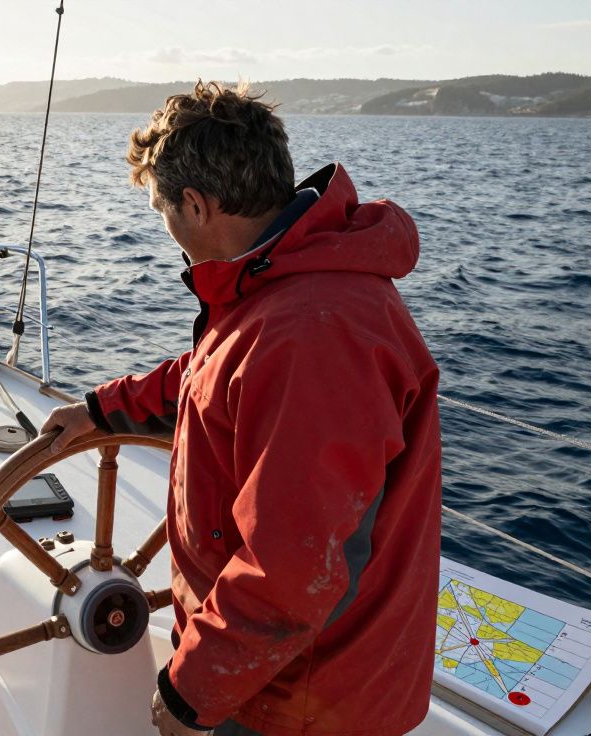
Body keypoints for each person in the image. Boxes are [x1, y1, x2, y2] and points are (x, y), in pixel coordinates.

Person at [41, 81, 442, 736]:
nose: (166, 229)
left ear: (195, 205)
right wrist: (105, 408)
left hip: (300, 699)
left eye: (162, 209)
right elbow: (218, 377)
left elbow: (291, 566)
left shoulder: (313, 333)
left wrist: (192, 692)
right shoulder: (285, 283)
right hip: (286, 671)